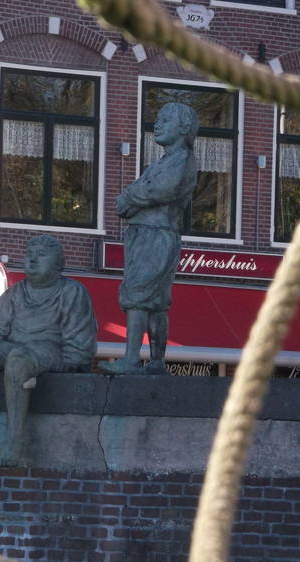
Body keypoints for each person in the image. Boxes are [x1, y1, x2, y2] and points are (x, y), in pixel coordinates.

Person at [0, 235, 97, 465]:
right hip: (15, 345)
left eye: (41, 256)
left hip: (50, 349)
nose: (32, 260)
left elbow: (79, 339)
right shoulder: (15, 293)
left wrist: (74, 364)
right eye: (29, 255)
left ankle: (16, 442)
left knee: (17, 360)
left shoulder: (72, 292)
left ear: (58, 264)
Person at [99, 102, 198, 375]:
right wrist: (135, 197)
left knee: (139, 294)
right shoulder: (165, 161)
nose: (157, 124)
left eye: (165, 120)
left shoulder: (182, 159)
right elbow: (147, 190)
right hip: (148, 232)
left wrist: (130, 197)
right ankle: (155, 361)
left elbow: (161, 190)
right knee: (156, 300)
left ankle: (132, 359)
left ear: (184, 128)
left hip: (155, 234)